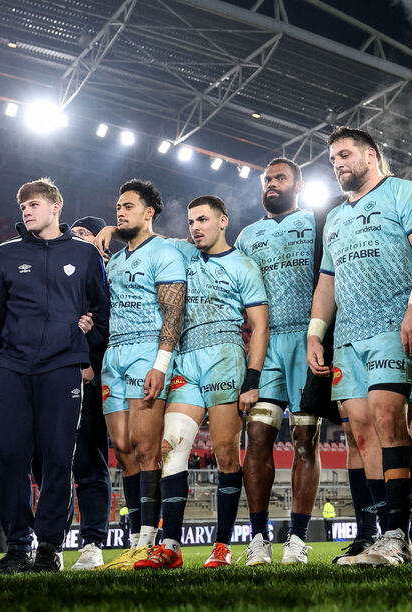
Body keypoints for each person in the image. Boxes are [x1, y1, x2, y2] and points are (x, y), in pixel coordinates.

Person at [307, 126, 412, 566]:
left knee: (389, 421)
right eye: (332, 160)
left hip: (393, 326)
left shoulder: (404, 193)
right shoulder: (336, 218)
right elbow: (327, 281)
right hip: (347, 337)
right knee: (361, 433)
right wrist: (315, 331)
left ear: (371, 154)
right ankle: (386, 537)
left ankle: (401, 537)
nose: (338, 164)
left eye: (345, 155)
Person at [134, 196, 269, 570]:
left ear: (223, 221)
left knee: (227, 453)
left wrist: (252, 380)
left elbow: (259, 326)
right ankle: (171, 546)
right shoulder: (180, 252)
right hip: (185, 357)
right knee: (170, 449)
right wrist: (112, 230)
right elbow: (145, 235)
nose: (195, 227)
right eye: (191, 221)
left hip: (225, 357)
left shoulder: (243, 264)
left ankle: (222, 546)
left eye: (203, 220)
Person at [0, 178, 110, 574]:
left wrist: (86, 350)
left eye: (34, 204)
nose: (26, 211)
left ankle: (50, 547)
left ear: (56, 207)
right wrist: (13, 348)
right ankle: (18, 546)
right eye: (23, 205)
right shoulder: (4, 255)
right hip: (13, 368)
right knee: (9, 458)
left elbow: (102, 311)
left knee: (59, 458)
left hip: (62, 368)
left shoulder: (85, 255)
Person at [91, 183, 186, 571]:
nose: (119, 212)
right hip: (113, 355)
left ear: (149, 212)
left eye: (128, 206)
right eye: (117, 207)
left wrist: (160, 364)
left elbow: (174, 313)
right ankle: (134, 540)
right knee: (123, 447)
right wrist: (111, 233)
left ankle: (151, 539)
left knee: (147, 448)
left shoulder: (166, 251)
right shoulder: (114, 261)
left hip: (148, 352)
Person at [236, 159, 320, 566]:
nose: (270, 184)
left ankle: (298, 539)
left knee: (305, 441)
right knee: (257, 436)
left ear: (298, 184)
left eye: (279, 178)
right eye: (266, 179)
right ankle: (258, 538)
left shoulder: (315, 223)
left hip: (307, 342)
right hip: (265, 345)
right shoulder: (247, 236)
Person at [65, 215, 114, 570]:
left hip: (93, 382)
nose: (75, 238)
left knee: (89, 464)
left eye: (84, 233)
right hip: (52, 378)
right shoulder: (61, 274)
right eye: (73, 233)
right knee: (49, 467)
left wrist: (89, 347)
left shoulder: (116, 275)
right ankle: (50, 543)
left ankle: (93, 541)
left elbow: (117, 329)